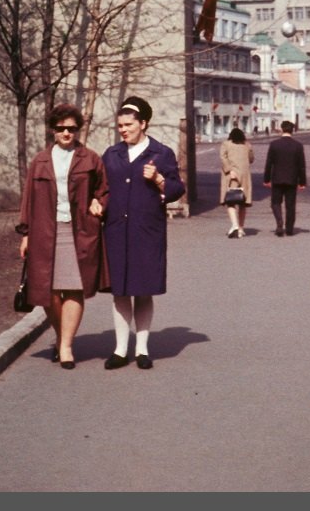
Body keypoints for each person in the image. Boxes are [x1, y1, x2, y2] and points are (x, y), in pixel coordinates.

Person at [16, 104, 108, 370]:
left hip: (79, 231)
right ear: (53, 130)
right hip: (45, 231)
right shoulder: (40, 161)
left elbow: (104, 189)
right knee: (49, 291)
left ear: (77, 130)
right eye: (61, 129)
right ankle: (60, 337)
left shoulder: (90, 158)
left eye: (72, 128)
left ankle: (66, 345)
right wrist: (26, 234)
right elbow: (28, 199)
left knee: (75, 287)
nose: (67, 133)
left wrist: (98, 202)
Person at [99, 96, 184, 370]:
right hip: (116, 231)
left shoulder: (162, 153)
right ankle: (120, 350)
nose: (123, 130)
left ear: (143, 123)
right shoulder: (111, 154)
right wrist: (95, 201)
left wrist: (159, 179)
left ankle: (143, 350)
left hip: (146, 232)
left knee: (143, 290)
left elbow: (177, 189)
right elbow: (100, 188)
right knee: (120, 292)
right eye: (120, 126)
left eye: (128, 125)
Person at [264, 120, 307, 236]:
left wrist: (266, 179)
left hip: (277, 179)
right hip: (292, 179)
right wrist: (302, 182)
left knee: (275, 202)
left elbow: (269, 163)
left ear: (282, 129)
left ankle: (279, 221)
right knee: (290, 205)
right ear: (292, 130)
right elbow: (301, 166)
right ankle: (289, 229)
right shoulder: (298, 146)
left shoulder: (274, 144)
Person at [219, 127, 254, 238]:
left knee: (230, 200)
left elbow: (223, 157)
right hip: (245, 176)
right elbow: (251, 159)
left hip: (232, 176)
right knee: (242, 203)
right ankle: (241, 228)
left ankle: (234, 225)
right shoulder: (247, 145)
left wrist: (229, 169)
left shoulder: (226, 144)